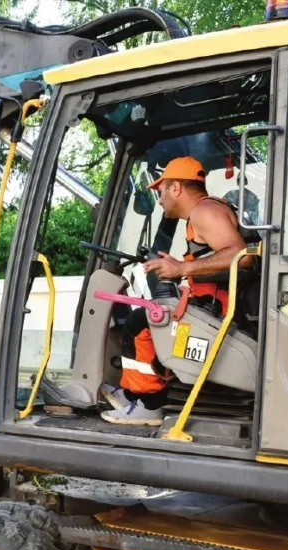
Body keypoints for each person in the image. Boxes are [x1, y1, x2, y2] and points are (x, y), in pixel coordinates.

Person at [101, 157, 249, 426]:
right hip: (213, 305)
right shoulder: (207, 211)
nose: (159, 200)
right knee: (147, 314)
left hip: (218, 314)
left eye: (161, 192)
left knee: (139, 323)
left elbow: (241, 255)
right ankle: (133, 394)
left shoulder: (204, 212)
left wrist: (182, 267)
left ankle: (148, 404)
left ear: (176, 188)